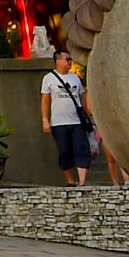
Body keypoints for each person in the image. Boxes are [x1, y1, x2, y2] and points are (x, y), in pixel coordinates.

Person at [40, 49, 95, 185]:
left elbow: (82, 98)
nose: (70, 62)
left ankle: (82, 182)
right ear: (58, 61)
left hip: (77, 121)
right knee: (64, 152)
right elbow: (45, 100)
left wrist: (89, 117)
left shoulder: (75, 78)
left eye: (70, 59)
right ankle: (70, 181)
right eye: (67, 59)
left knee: (81, 150)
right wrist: (45, 120)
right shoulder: (49, 78)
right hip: (59, 122)